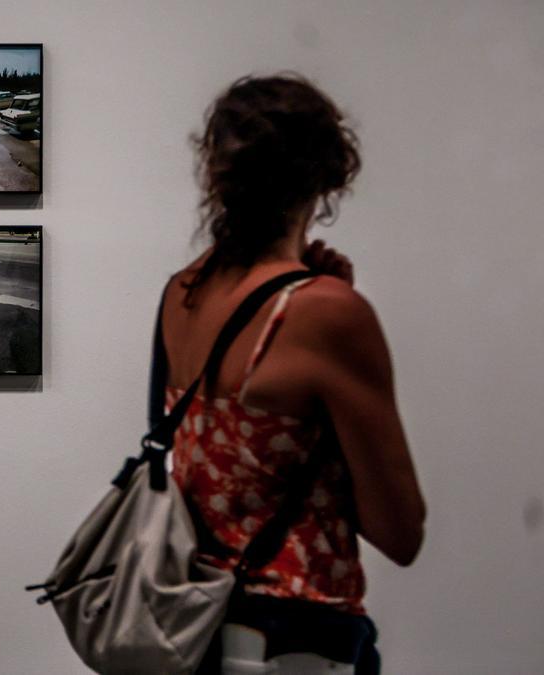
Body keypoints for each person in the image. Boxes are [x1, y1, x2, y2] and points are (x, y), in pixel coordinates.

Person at [160, 74, 427, 674]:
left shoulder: (181, 294)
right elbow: (400, 531)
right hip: (297, 637)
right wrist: (331, 301)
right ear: (330, 176)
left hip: (195, 627)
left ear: (216, 175)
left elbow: (231, 469)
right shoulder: (328, 313)